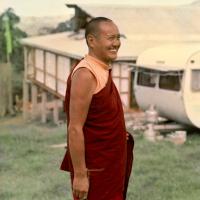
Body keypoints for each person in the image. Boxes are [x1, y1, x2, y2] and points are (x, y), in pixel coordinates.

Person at [60, 17, 134, 200]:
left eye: (118, 38)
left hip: (111, 159)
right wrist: (80, 175)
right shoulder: (85, 73)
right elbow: (75, 128)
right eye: (110, 38)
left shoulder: (101, 68)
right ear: (92, 41)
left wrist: (116, 132)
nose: (116, 43)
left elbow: (100, 114)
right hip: (96, 166)